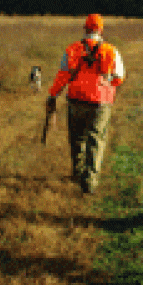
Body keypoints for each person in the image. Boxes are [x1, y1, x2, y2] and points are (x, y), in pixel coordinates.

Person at [46, 13, 125, 193]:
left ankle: (77, 171)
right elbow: (119, 77)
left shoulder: (72, 49)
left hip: (76, 100)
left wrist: (53, 95)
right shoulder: (111, 50)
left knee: (77, 138)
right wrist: (108, 85)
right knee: (95, 140)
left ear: (85, 28)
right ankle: (89, 181)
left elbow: (63, 76)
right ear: (101, 29)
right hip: (100, 102)